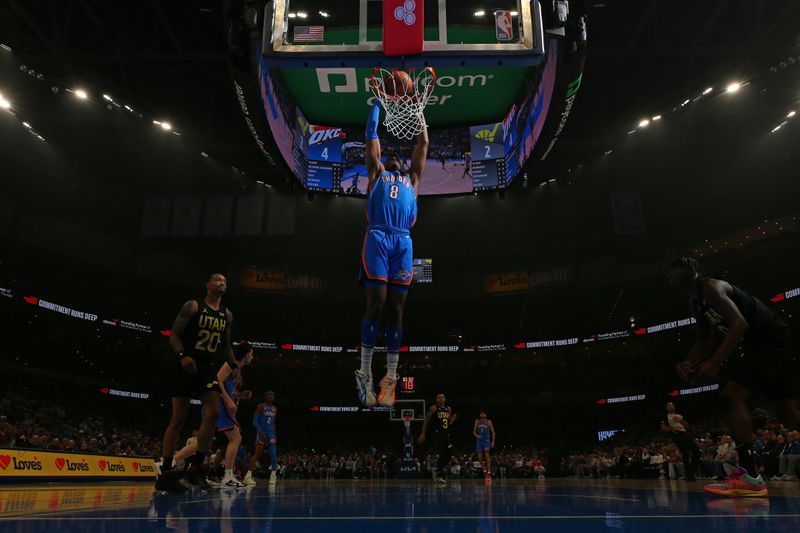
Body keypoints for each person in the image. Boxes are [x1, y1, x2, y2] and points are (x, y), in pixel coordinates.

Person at [668, 257, 800, 497]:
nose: (671, 272)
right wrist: (689, 362)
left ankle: (750, 477)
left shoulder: (711, 287)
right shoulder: (695, 303)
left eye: (677, 268)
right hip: (763, 344)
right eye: (670, 270)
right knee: (787, 413)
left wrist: (715, 362)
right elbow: (705, 340)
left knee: (732, 396)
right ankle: (750, 478)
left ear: (693, 270)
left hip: (768, 339)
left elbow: (739, 324)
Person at [355, 99, 429, 408]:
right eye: (391, 156)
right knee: (378, 304)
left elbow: (423, 141)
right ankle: (364, 372)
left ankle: (390, 379)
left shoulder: (413, 180)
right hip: (379, 237)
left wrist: (416, 107)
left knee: (397, 309)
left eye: (401, 156)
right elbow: (371, 134)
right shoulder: (377, 173)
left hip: (403, 241)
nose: (396, 157)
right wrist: (375, 104)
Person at [156, 273, 237, 492]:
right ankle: (166, 472)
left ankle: (198, 469)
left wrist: (234, 365)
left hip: (207, 367)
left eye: (225, 281)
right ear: (208, 285)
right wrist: (183, 356)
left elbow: (226, 345)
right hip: (185, 364)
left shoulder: (227, 315)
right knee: (178, 419)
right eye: (218, 280)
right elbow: (174, 335)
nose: (222, 283)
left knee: (212, 413)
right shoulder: (193, 306)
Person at [171, 342, 254, 489]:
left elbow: (225, 389)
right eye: (251, 353)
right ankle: (228, 477)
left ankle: (171, 460)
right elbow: (217, 381)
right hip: (217, 406)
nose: (253, 357)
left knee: (204, 443)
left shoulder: (237, 367)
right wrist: (228, 400)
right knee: (236, 438)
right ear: (246, 354)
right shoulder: (231, 364)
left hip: (215, 405)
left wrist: (238, 395)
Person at [418, 393, 456, 483]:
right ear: (436, 400)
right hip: (437, 434)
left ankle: (437, 470)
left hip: (446, 434)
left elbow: (448, 422)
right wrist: (423, 433)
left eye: (442, 397)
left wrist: (453, 419)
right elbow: (426, 420)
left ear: (445, 399)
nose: (440, 399)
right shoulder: (434, 408)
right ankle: (439, 474)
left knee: (449, 454)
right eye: (438, 397)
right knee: (443, 452)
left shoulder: (448, 409)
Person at [244, 391, 279, 486]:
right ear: (265, 396)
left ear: (274, 397)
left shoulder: (275, 409)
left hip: (271, 434)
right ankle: (247, 476)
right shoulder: (260, 406)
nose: (271, 396)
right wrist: (260, 431)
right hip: (261, 433)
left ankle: (273, 475)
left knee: (273, 453)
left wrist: (274, 433)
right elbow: (254, 421)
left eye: (272, 395)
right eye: (269, 394)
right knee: (257, 455)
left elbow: (273, 422)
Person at [660, 402, 701, 481]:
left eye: (672, 405)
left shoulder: (680, 415)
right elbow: (663, 428)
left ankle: (691, 472)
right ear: (667, 408)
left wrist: (681, 421)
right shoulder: (665, 416)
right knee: (685, 453)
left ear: (674, 407)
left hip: (685, 434)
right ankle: (689, 476)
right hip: (676, 435)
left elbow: (687, 426)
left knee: (697, 452)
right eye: (669, 406)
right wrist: (672, 429)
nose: (671, 407)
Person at [473, 409, 495, 482]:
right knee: (479, 458)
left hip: (486, 440)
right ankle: (484, 469)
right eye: (482, 414)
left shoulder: (489, 422)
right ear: (480, 415)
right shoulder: (477, 421)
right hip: (479, 440)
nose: (483, 415)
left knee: (486, 454)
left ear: (486, 415)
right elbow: (474, 432)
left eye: (484, 414)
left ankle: (489, 471)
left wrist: (493, 442)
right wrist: (477, 435)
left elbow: (493, 432)